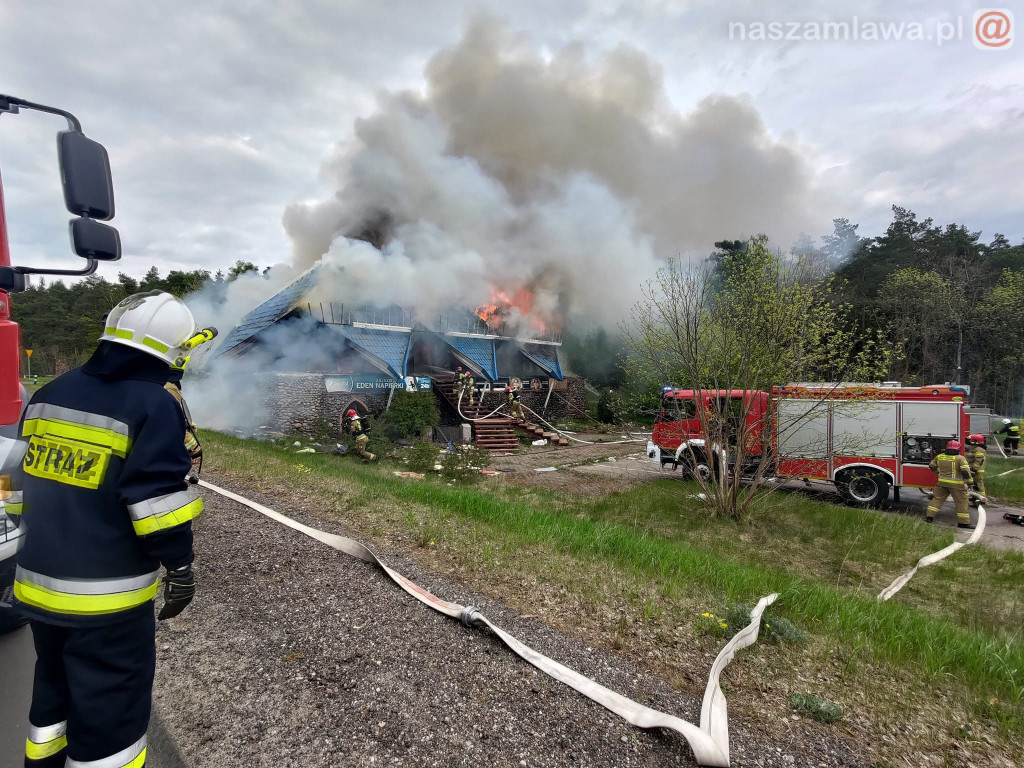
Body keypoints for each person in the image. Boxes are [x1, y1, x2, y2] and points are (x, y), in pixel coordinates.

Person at [6, 291, 203, 768]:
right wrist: (180, 566)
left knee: (53, 696)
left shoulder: (50, 394)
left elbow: (15, 488)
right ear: (175, 352)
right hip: (107, 604)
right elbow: (156, 508)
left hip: (37, 589)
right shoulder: (153, 405)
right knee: (111, 716)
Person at [926, 439, 974, 528]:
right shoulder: (960, 458)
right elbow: (965, 472)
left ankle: (929, 517)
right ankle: (963, 523)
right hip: (957, 485)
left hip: (942, 483)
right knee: (962, 502)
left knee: (937, 499)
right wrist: (970, 483)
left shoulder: (940, 457)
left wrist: (938, 472)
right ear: (958, 449)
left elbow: (931, 466)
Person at [965, 433, 987, 502]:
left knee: (978, 484)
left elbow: (979, 461)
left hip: (977, 470)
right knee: (974, 484)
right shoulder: (974, 448)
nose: (969, 441)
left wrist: (974, 469)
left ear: (975, 441)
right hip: (974, 469)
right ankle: (975, 496)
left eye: (971, 440)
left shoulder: (978, 449)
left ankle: (981, 499)